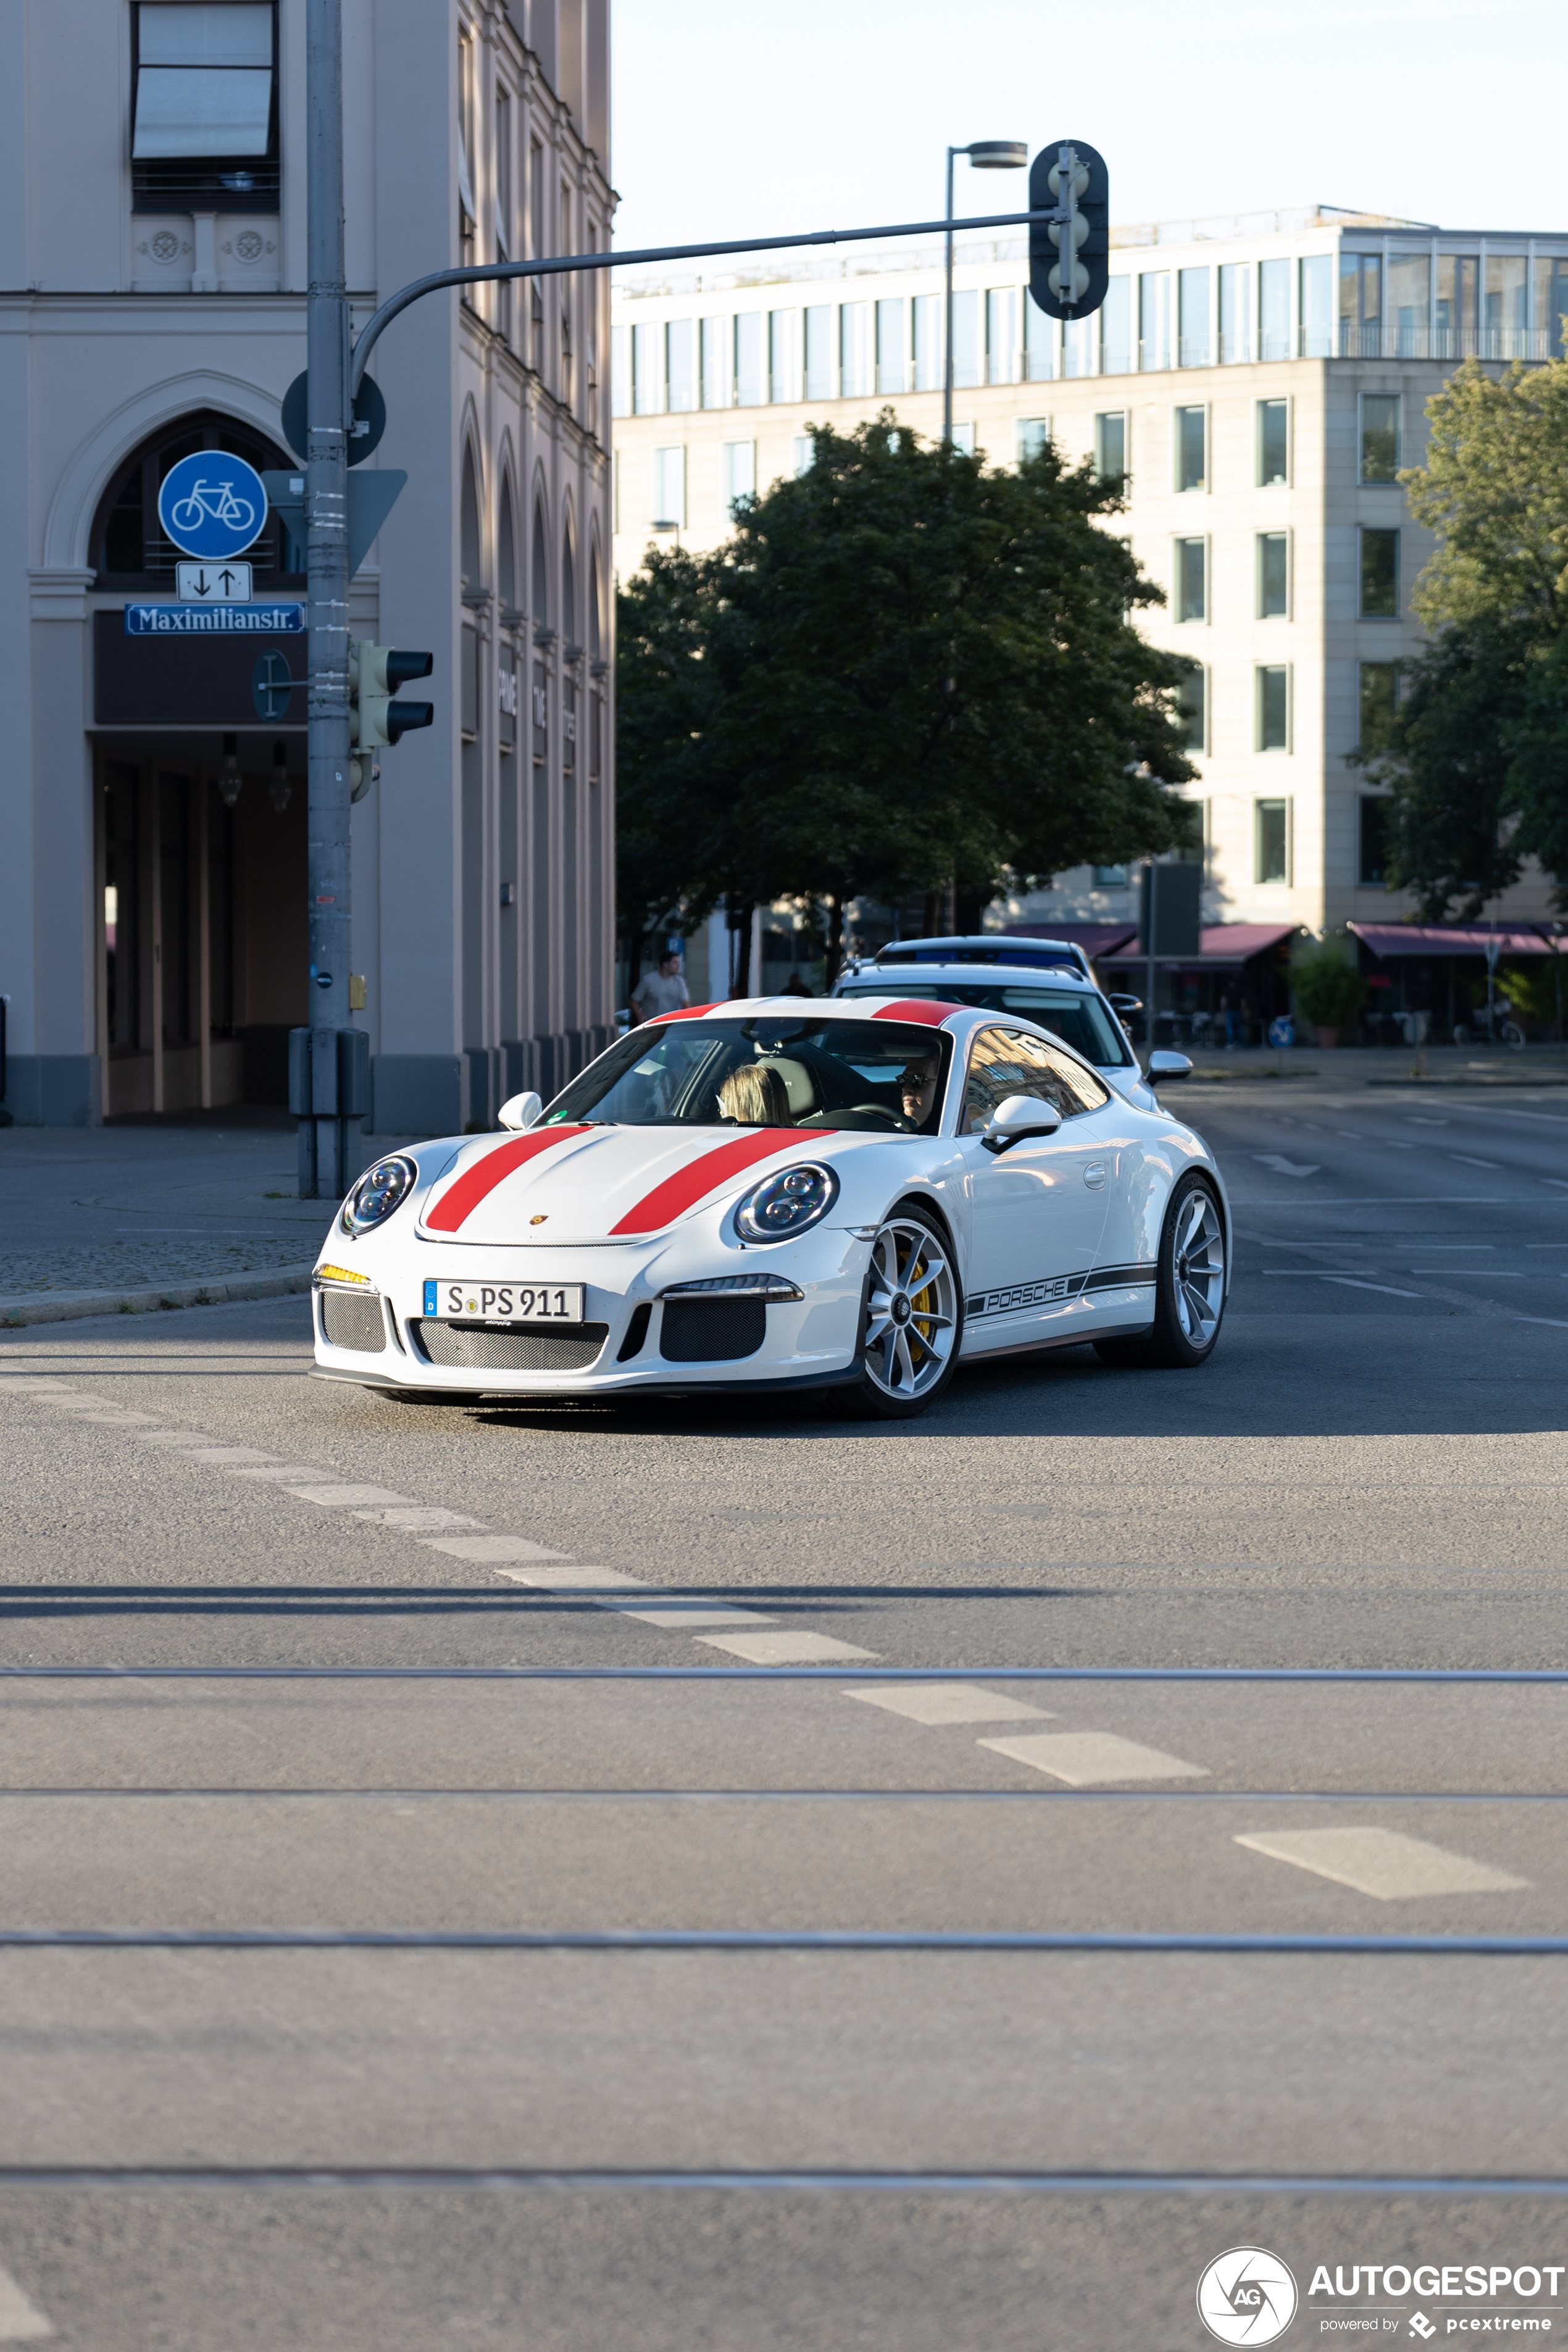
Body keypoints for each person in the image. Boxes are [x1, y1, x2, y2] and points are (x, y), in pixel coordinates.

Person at [716, 1062, 791, 1126]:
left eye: (729, 1105)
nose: (721, 1112)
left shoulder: (724, 1140)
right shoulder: (798, 1140)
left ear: (746, 1106)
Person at [630, 950, 688, 1025]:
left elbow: (685, 1003)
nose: (678, 966)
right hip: (652, 1023)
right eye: (675, 963)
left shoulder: (680, 981)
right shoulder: (649, 980)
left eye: (678, 963)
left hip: (672, 1022)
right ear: (665, 965)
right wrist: (640, 1015)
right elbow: (633, 1001)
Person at [898, 1054, 941, 1130]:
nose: (906, 1088)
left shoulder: (966, 1138)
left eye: (917, 1080)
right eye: (903, 1079)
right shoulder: (893, 1132)